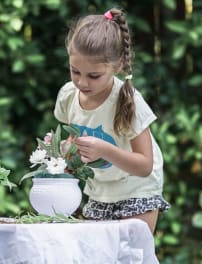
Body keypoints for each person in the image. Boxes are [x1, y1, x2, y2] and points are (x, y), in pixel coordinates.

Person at [54, 7, 170, 233]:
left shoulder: (127, 101)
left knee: (132, 255)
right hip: (99, 192)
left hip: (137, 189)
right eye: (75, 71)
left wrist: (104, 150)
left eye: (93, 76)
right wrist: (68, 152)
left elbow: (145, 165)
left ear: (116, 67)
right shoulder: (68, 96)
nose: (83, 83)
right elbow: (74, 136)